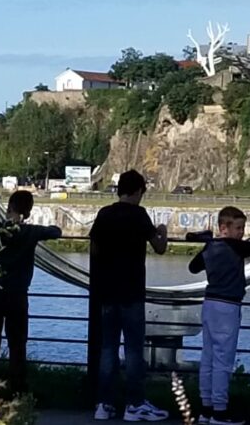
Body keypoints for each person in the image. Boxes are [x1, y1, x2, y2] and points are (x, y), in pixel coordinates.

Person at [90, 169, 170, 422]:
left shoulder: (104, 214)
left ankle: (104, 404)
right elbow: (159, 248)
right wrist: (162, 231)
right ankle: (135, 404)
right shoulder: (139, 215)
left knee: (108, 349)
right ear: (138, 191)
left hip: (107, 292)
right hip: (132, 291)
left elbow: (93, 248)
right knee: (134, 350)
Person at [187, 207, 250, 425]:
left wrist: (206, 244)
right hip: (228, 305)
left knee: (208, 357)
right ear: (224, 228)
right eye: (238, 228)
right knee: (223, 360)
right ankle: (220, 410)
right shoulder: (235, 247)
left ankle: (206, 407)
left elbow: (193, 267)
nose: (241, 233)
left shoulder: (212, 247)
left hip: (209, 303)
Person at [0, 190, 62, 392]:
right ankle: (17, 388)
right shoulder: (30, 232)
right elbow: (55, 231)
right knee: (17, 343)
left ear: (8, 207)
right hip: (18, 295)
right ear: (29, 211)